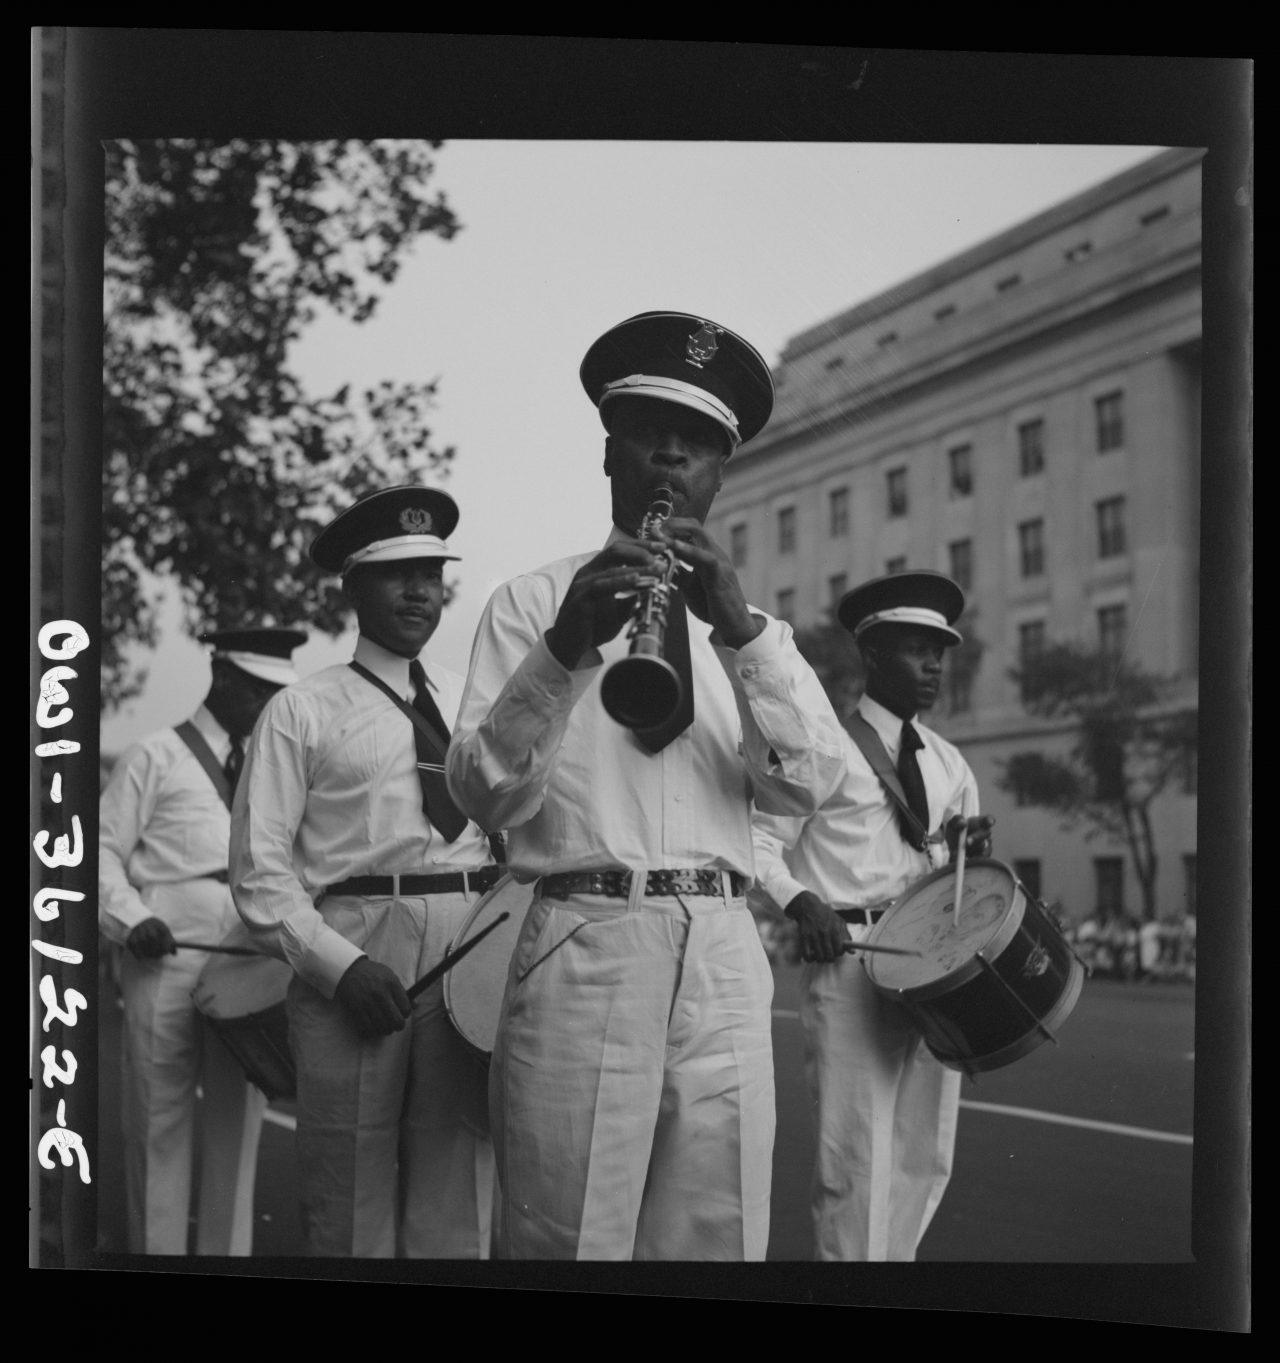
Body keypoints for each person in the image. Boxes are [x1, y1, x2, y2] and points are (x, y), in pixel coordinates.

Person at [446, 310, 846, 1260]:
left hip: (723, 950)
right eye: (649, 429)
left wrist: (739, 635)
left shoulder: (761, 634)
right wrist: (564, 651)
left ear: (721, 472)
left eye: (701, 440)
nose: (672, 452)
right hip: (584, 942)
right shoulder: (534, 603)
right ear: (609, 451)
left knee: (722, 1235)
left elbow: (806, 788)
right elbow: (484, 796)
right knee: (562, 1238)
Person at [229, 486, 505, 1259]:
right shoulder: (301, 708)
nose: (420, 591)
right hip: (357, 948)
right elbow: (258, 873)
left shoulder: (468, 697)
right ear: (352, 586)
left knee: (458, 1194)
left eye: (431, 572)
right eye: (396, 573)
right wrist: (338, 968)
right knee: (348, 1197)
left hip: (465, 948)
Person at [752, 571, 994, 1261]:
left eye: (940, 650)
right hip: (851, 957)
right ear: (872, 656)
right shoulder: (825, 745)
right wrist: (802, 903)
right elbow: (761, 842)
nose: (934, 664)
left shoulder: (948, 761)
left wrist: (971, 856)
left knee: (925, 1151)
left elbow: (959, 864)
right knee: (856, 1159)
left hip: (934, 961)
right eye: (917, 648)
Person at [99, 625, 306, 1255]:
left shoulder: (275, 768)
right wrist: (133, 922)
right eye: (258, 689)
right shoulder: (154, 754)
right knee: (158, 1126)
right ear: (222, 676)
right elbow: (98, 854)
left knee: (234, 1133)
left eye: (278, 691)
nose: (270, 703)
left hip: (245, 965)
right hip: (165, 959)